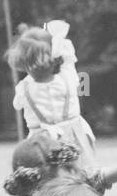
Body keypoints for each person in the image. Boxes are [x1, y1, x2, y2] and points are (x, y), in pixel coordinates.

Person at [6, 20, 96, 170]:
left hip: (41, 141)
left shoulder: (24, 88)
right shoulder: (68, 77)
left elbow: (17, 105)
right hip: (73, 136)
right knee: (83, 173)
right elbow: (68, 59)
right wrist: (58, 43)